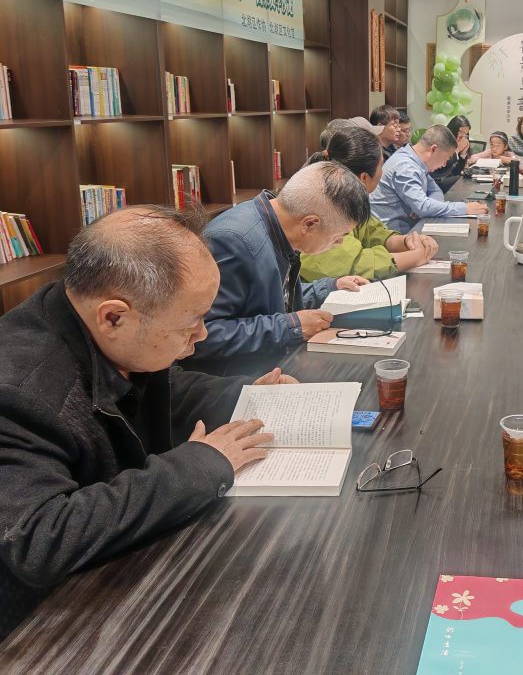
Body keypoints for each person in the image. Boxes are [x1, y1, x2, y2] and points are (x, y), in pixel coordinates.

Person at [0, 206, 292, 639]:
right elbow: (41, 540)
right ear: (114, 316)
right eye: (192, 323)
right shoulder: (18, 392)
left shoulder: (96, 321)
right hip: (49, 627)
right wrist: (201, 465)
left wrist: (245, 394)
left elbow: (163, 385)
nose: (203, 336)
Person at [185, 162, 371, 375]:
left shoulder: (275, 225)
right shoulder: (234, 242)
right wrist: (290, 327)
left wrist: (329, 287)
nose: (339, 243)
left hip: (266, 365)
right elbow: (200, 337)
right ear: (309, 224)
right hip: (234, 380)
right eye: (339, 236)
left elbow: (271, 298)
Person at [300, 127, 439, 280]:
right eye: (381, 165)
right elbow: (354, 265)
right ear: (364, 178)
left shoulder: (347, 199)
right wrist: (416, 257)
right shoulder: (323, 206)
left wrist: (407, 241)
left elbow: (372, 232)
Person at [369, 124, 488, 231]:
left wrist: (424, 207)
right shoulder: (406, 166)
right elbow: (423, 207)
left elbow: (436, 191)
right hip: (392, 235)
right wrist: (465, 208)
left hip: (410, 228)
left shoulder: (416, 161)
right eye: (446, 158)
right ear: (433, 149)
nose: (444, 164)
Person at [431, 115, 476, 194]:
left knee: (466, 179)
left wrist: (463, 154)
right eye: (461, 132)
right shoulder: (442, 140)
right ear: (453, 129)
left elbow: (456, 172)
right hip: (437, 180)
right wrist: (457, 150)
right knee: (461, 180)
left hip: (448, 177)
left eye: (466, 133)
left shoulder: (459, 142)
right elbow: (443, 166)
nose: (463, 136)